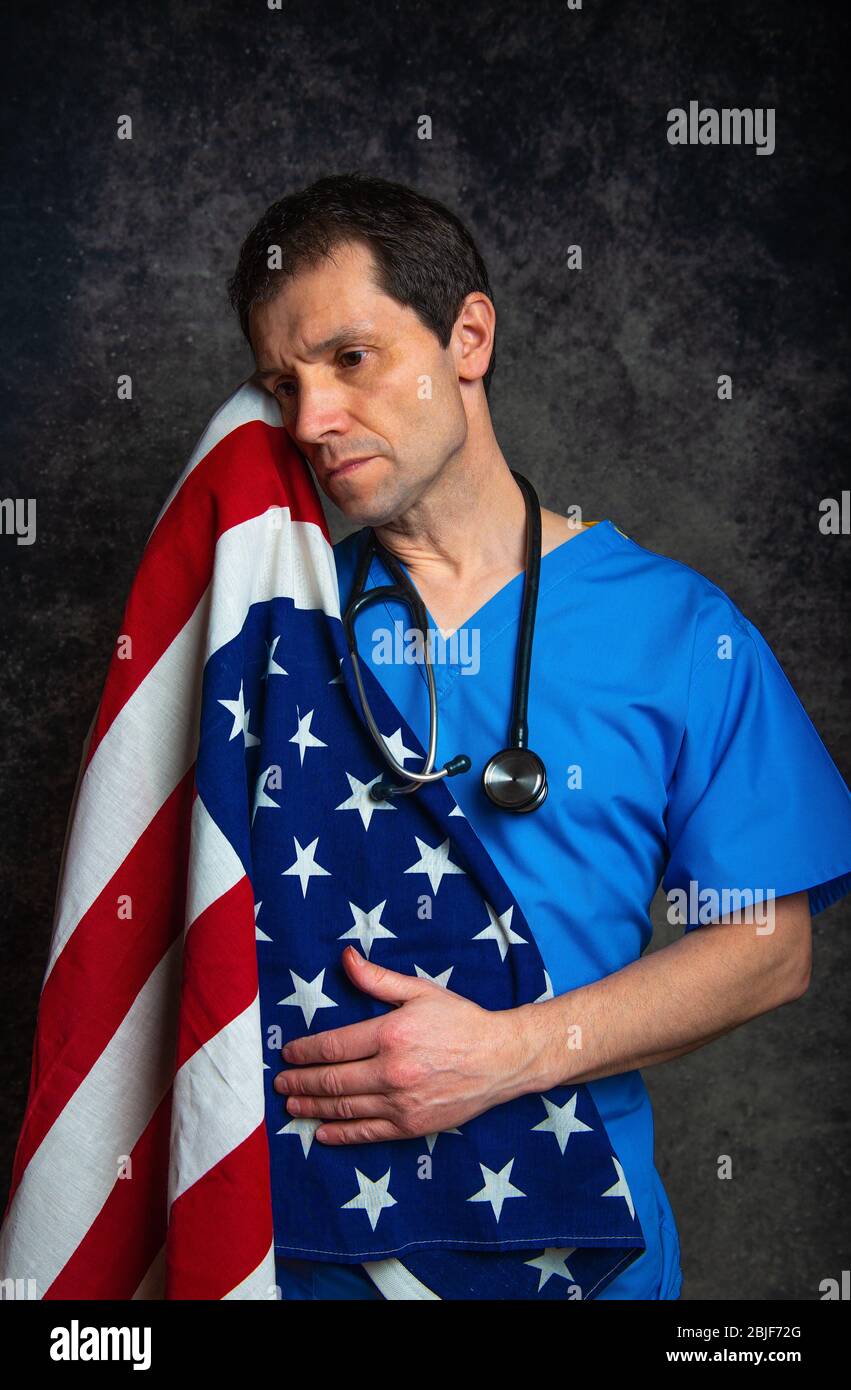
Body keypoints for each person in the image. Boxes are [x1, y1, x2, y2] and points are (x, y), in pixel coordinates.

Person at [227, 171, 851, 1300]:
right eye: (283, 382)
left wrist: (512, 1052)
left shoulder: (674, 630)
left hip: (577, 1258)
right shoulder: (263, 638)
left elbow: (769, 945)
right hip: (305, 1259)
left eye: (349, 359)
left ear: (467, 336)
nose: (309, 418)